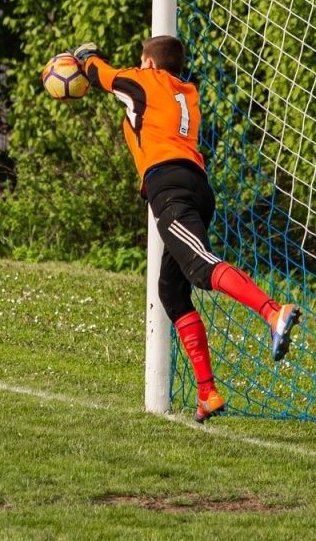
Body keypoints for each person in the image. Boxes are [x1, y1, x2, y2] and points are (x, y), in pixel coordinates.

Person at [72, 36, 300, 422]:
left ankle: (273, 311)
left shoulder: (144, 80)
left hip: (170, 187)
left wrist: (84, 56)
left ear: (148, 63)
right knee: (171, 291)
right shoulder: (185, 90)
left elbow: (100, 74)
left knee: (200, 267)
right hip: (193, 184)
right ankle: (207, 393)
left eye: (142, 62)